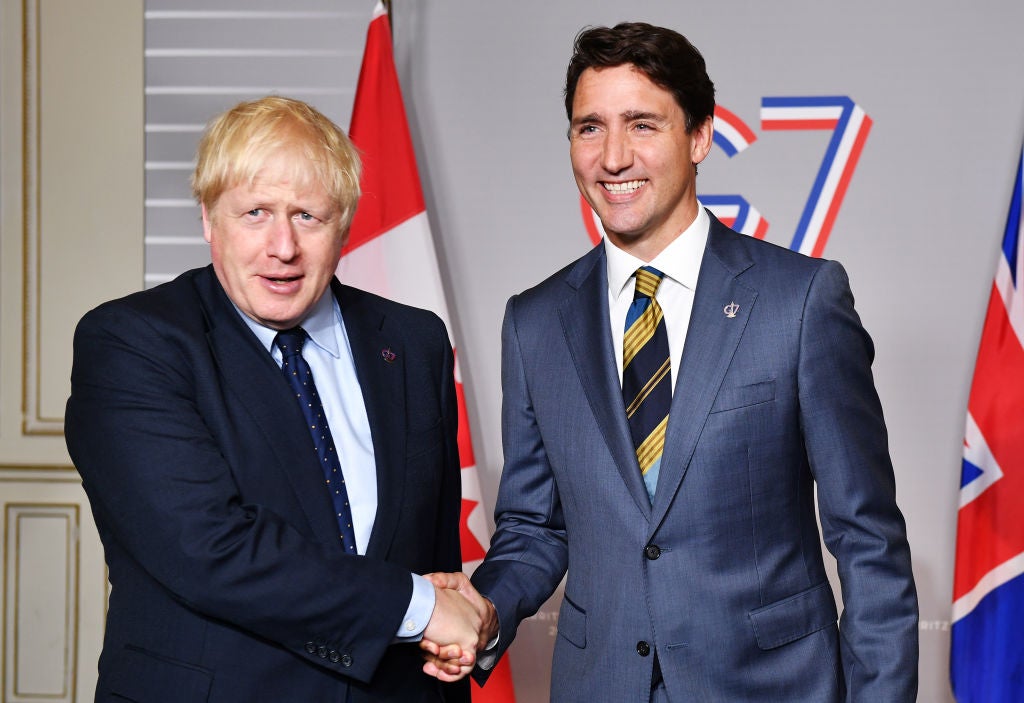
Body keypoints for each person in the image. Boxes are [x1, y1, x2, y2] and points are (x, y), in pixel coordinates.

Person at [423, 21, 919, 702]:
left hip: (773, 686)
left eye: (643, 125)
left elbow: (868, 540)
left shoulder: (800, 301)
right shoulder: (535, 322)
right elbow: (534, 527)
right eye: (589, 127)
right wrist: (485, 607)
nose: (614, 156)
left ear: (700, 136)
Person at [65, 96, 481, 702]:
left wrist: (454, 623)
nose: (282, 247)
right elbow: (209, 547)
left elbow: (436, 552)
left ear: (344, 223)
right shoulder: (132, 343)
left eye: (308, 216)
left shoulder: (414, 342)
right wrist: (422, 609)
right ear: (209, 218)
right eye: (255, 212)